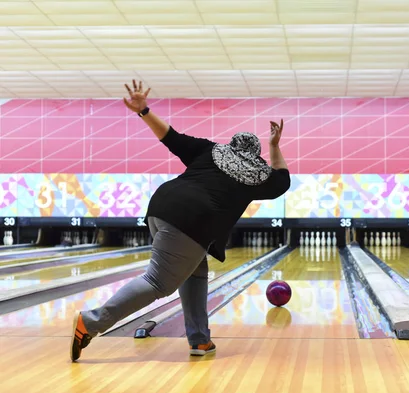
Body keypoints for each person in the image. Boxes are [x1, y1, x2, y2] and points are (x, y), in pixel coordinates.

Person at [70, 80, 290, 362]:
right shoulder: (258, 175)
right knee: (157, 282)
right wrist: (274, 145)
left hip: (162, 206)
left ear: (231, 145)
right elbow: (282, 179)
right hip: (193, 221)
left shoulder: (210, 150)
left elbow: (170, 137)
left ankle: (200, 340)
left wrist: (144, 111)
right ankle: (90, 322)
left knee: (195, 271)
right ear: (254, 155)